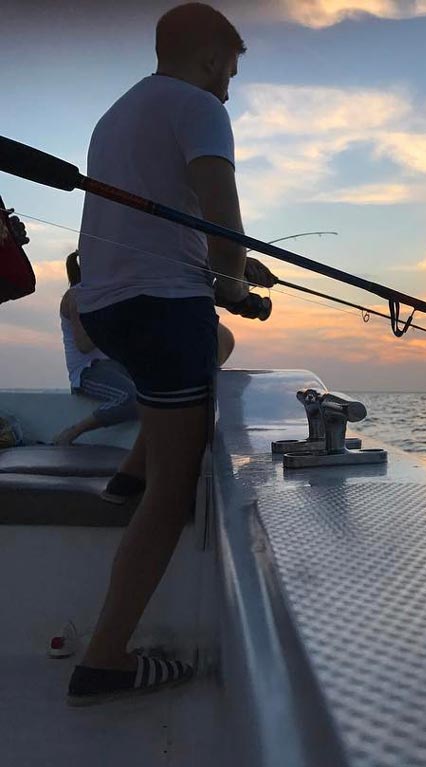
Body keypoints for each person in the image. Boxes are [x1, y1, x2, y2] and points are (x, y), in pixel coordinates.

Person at [66, 3, 274, 706]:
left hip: (109, 304)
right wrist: (234, 280)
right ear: (214, 58)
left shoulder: (119, 113)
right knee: (173, 492)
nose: (228, 89)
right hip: (161, 308)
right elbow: (220, 216)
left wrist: (235, 272)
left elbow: (157, 218)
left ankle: (128, 470)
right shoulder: (199, 106)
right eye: (230, 73)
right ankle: (105, 658)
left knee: (183, 371)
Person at [53, 250, 236, 455]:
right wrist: (114, 319)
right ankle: (73, 432)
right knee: (133, 400)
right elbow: (83, 345)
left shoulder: (105, 295)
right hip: (88, 372)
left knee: (161, 389)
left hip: (116, 365)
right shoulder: (77, 296)